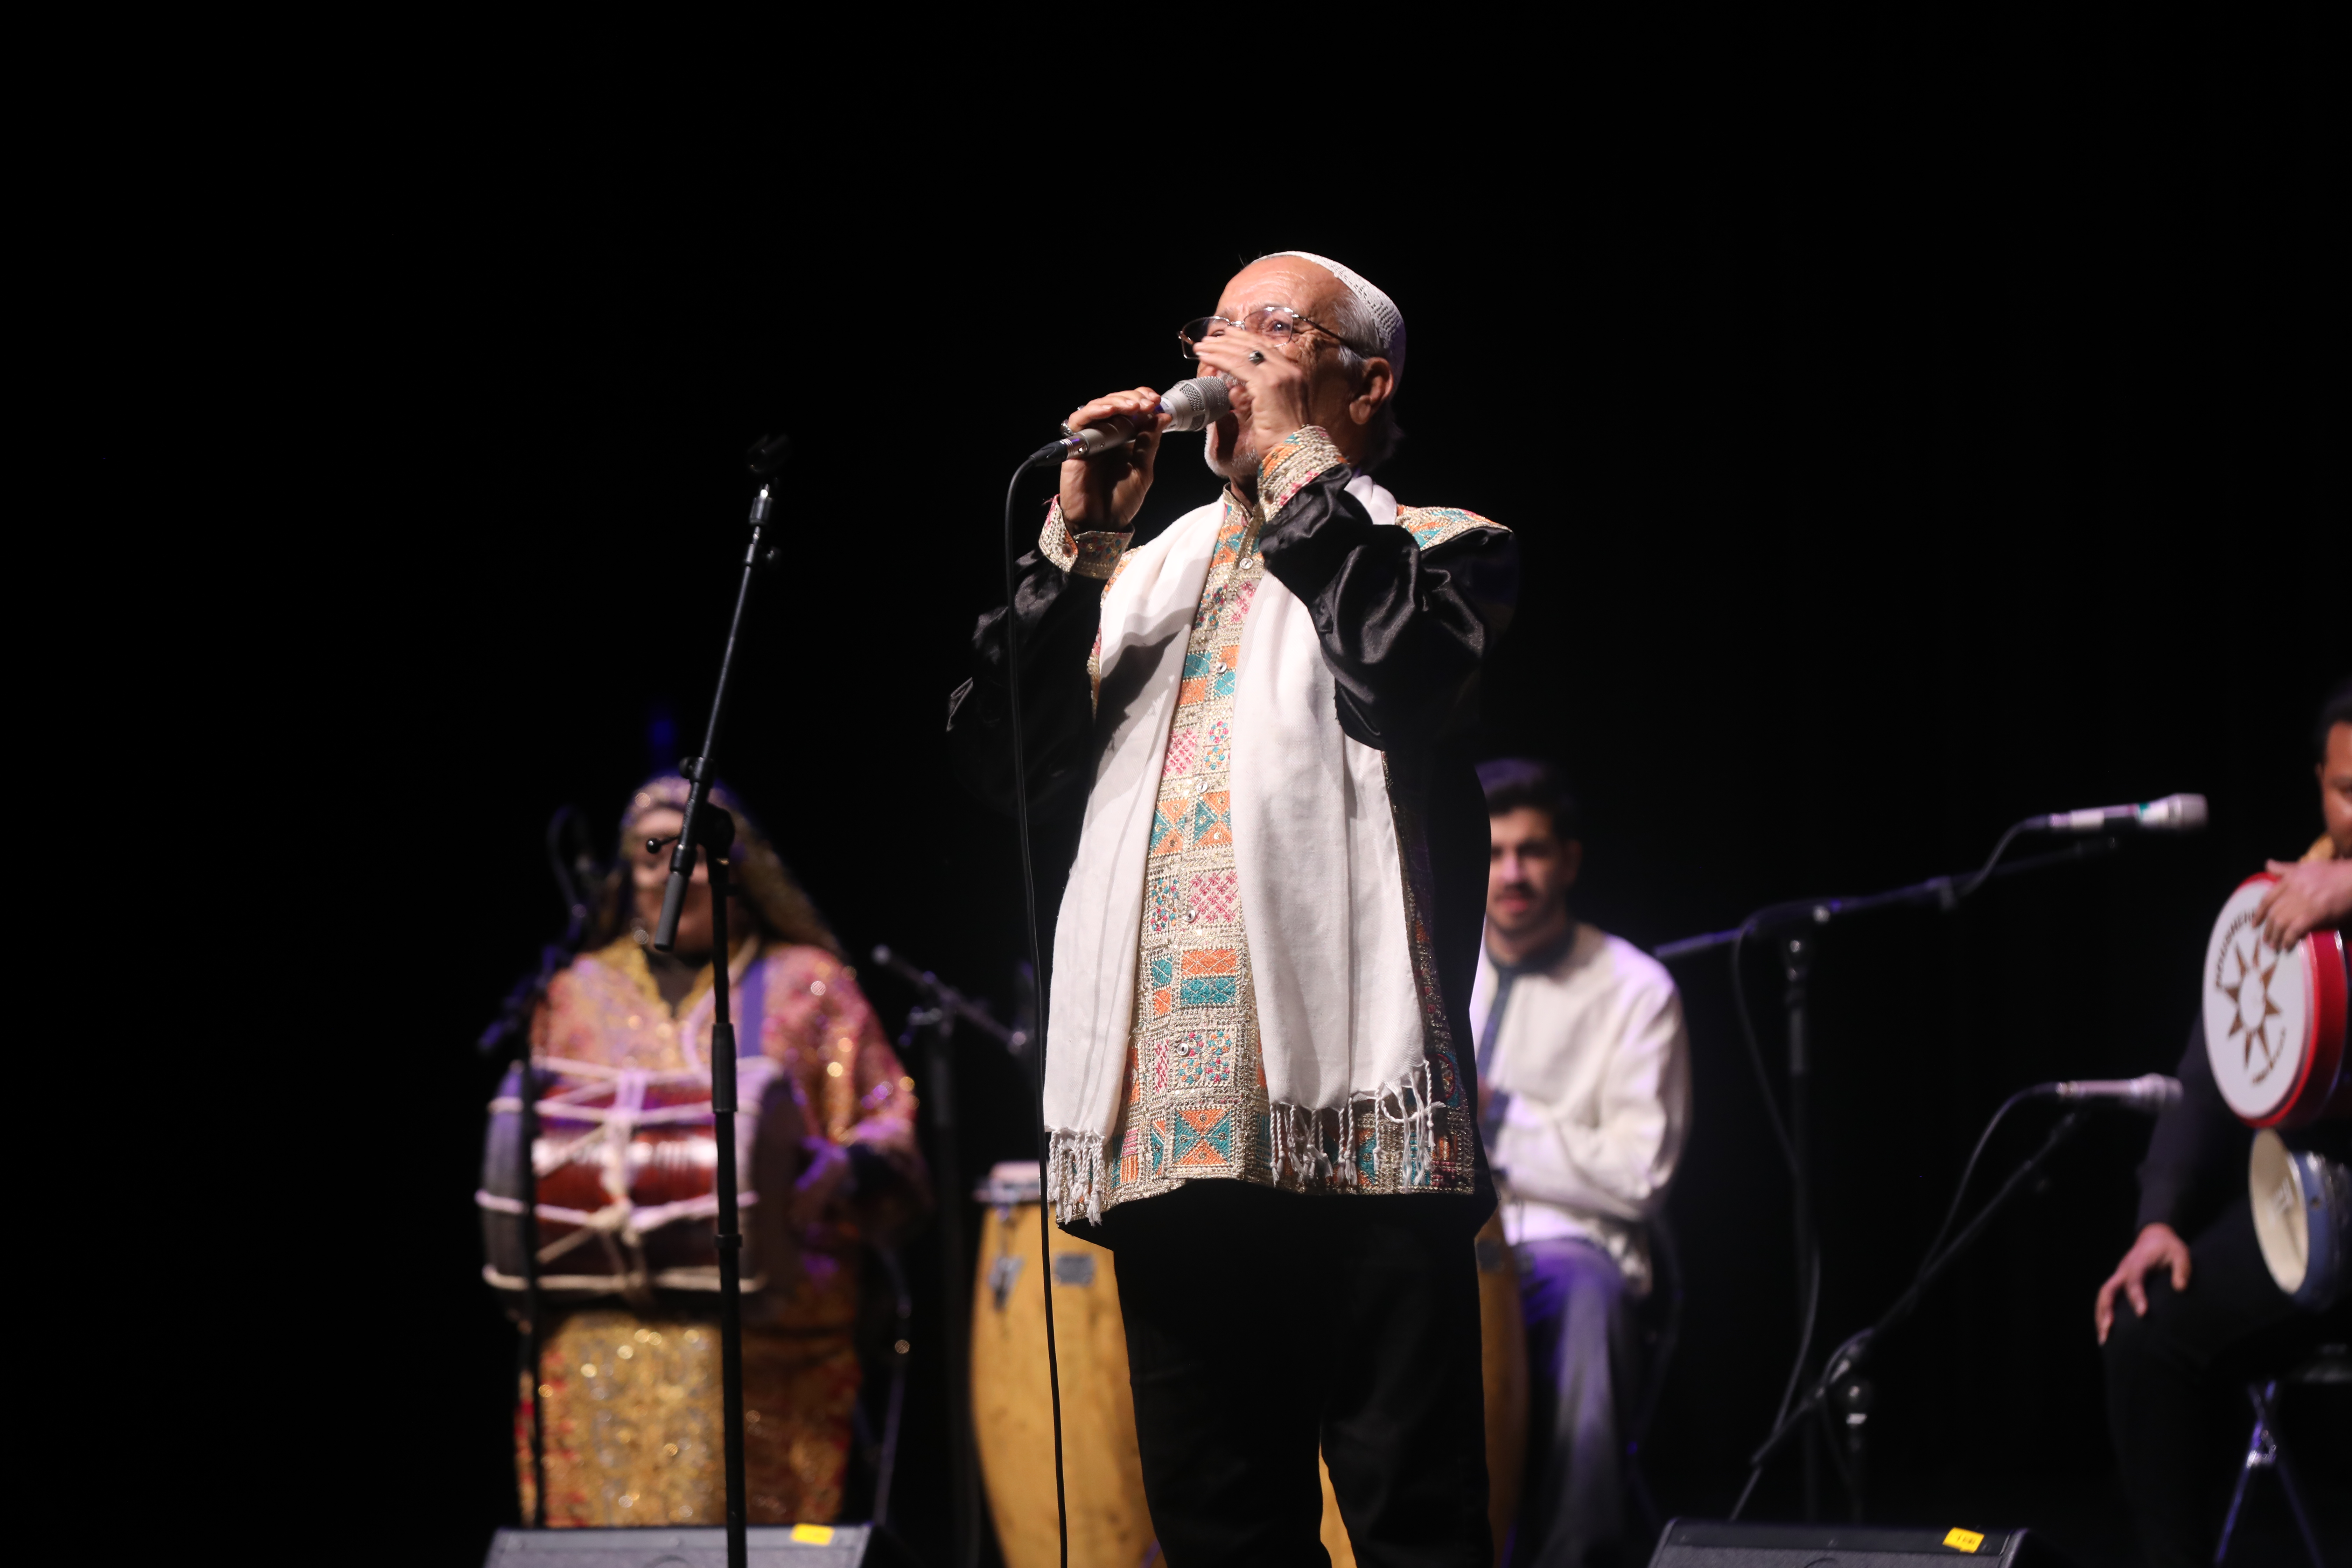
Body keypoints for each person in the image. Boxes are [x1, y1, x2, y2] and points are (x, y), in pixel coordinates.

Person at [950, 252, 1518, 1566]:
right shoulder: (1135, 582)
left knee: (1415, 1522)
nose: (1228, 352)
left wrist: (1292, 470)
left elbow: (1403, 678)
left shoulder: (1445, 549)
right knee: (1219, 1529)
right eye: (1217, 327)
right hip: (1172, 1131)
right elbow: (999, 767)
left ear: (1366, 384)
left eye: (1274, 330)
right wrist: (1077, 549)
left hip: (1360, 1129)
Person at [496, 775, 929, 1527]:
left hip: (770, 1325)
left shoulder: (808, 983)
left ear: (736, 867)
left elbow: (890, 1124)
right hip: (600, 1323)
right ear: (625, 872)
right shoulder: (574, 991)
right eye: (650, 852)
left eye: (691, 852)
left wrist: (839, 1168)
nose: (672, 871)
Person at [2095, 681, 2352, 1567]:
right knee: (2144, 1331)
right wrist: (2158, 1219)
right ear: (2319, 782)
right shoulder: (2281, 906)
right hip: (2313, 1220)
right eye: (2347, 790)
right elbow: (2207, 1077)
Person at [1468, 760, 1689, 1568]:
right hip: (1449, 1241)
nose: (1512, 873)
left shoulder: (1636, 988)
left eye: (1531, 851)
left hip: (1567, 1247)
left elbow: (1641, 1173)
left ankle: (1576, 1556)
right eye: (1494, 853)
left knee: (1584, 1294)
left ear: (1569, 860)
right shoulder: (1435, 965)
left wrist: (1501, 1114)